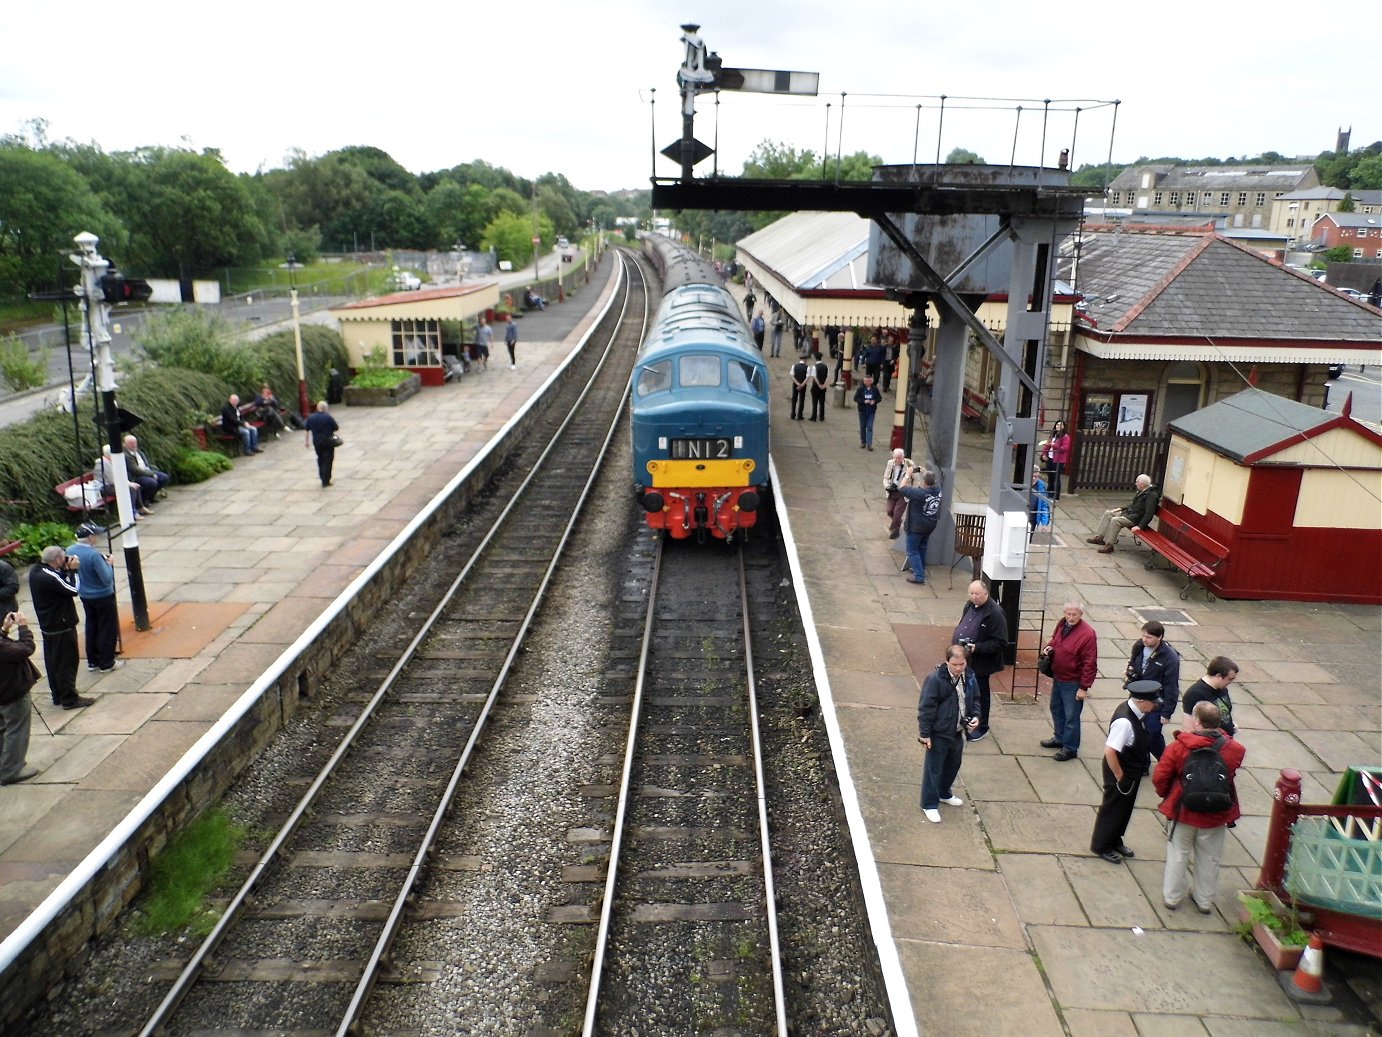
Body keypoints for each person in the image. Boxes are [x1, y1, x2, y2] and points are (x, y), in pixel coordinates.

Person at [1154, 701, 1246, 912]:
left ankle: (1172, 897)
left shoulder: (1178, 747)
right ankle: (1204, 900)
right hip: (1216, 813)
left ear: (1197, 720)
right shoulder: (1235, 749)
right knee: (1210, 857)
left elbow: (1161, 777)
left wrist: (1166, 795)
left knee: (1178, 855)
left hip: (1183, 810)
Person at [1089, 680, 1161, 863]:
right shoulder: (1125, 721)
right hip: (1121, 772)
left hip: (1131, 771)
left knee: (1124, 809)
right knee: (1112, 808)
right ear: (1142, 701)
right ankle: (1101, 845)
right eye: (1153, 702)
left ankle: (1114, 840)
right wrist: (1120, 776)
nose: (1155, 705)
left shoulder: (1135, 712)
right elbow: (1110, 751)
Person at [916, 644, 980, 823]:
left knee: (953, 764)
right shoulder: (935, 680)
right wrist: (925, 734)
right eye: (955, 664)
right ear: (946, 662)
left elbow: (975, 699)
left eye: (962, 664)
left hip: (958, 731)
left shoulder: (970, 676)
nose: (959, 668)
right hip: (939, 732)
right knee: (933, 769)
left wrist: (976, 716)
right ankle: (929, 804)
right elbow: (926, 708)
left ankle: (944, 793)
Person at [28, 545, 93, 710]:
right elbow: (73, 589)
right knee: (67, 663)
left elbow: (59, 582)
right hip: (61, 625)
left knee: (53, 662)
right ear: (57, 560)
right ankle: (70, 698)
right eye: (64, 557)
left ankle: (58, 694)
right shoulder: (49, 577)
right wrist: (74, 571)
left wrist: (64, 570)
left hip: (49, 626)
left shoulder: (36, 572)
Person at [1040, 601, 1098, 760]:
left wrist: (1084, 687)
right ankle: (1059, 738)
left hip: (1073, 681)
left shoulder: (1087, 634)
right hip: (1059, 675)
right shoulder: (1062, 623)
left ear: (1081, 615)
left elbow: (1090, 662)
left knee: (1071, 716)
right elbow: (1055, 640)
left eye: (1074, 614)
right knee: (1056, 708)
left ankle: (1071, 748)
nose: (1070, 617)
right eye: (1068, 614)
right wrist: (1049, 647)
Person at [952, 580, 1008, 741]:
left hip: (982, 664)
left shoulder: (995, 613)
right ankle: (968, 719)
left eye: (977, 594)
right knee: (966, 692)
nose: (974, 597)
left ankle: (982, 726)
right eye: (971, 594)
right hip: (966, 661)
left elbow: (1001, 642)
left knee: (980, 695)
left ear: (986, 593)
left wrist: (977, 647)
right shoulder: (969, 605)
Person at [67, 523, 120, 673]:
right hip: (102, 595)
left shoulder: (70, 550)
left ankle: (93, 661)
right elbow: (107, 578)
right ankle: (107, 662)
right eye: (95, 534)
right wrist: (109, 564)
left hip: (85, 595)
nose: (97, 537)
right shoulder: (93, 555)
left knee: (91, 626)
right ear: (90, 538)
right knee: (107, 628)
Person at [1125, 620, 1181, 758]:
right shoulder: (1139, 645)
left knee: (1152, 734)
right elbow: (1133, 662)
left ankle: (1165, 761)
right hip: (1137, 695)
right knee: (1136, 731)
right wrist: (1130, 671)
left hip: (1156, 702)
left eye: (1149, 637)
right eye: (1143, 635)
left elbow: (1171, 687)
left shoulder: (1170, 658)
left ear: (1159, 637)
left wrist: (1167, 713)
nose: (1144, 639)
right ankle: (1142, 763)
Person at [0, 610, 41, 786]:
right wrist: (23, 627)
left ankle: (5, 763)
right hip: (12, 692)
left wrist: (3, 630)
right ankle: (11, 770)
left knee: (3, 729)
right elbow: (26, 649)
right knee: (16, 730)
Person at [1086, 473, 1157, 553]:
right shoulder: (1142, 491)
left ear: (1142, 484)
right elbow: (1133, 505)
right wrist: (1121, 508)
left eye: (1137, 482)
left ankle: (1109, 545)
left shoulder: (1152, 496)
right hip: (1129, 514)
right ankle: (1100, 537)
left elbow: (1149, 514)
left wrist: (1140, 526)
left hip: (1135, 519)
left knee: (1115, 520)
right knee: (1108, 513)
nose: (1135, 484)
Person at [897, 467, 942, 585]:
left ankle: (919, 576)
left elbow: (902, 488)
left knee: (912, 550)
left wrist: (907, 475)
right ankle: (920, 568)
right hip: (930, 524)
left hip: (917, 526)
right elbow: (931, 480)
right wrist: (925, 472)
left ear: (924, 483)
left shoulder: (920, 493)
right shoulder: (938, 489)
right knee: (922, 547)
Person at [1181, 656, 1238, 736]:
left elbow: (1224, 710)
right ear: (1218, 676)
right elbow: (1189, 729)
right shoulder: (1194, 694)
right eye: (1230, 679)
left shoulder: (1222, 688)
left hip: (1224, 740)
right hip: (1211, 744)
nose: (1231, 682)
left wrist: (1230, 723)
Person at [95, 446, 149, 516]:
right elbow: (112, 480)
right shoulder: (104, 464)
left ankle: (140, 507)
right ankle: (132, 513)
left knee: (136, 486)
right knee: (131, 489)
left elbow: (120, 475)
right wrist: (128, 485)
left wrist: (129, 483)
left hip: (113, 485)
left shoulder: (110, 462)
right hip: (105, 487)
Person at [123, 434, 170, 503]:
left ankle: (150, 497)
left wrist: (151, 471)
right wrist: (151, 474)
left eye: (135, 443)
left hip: (146, 470)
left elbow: (145, 463)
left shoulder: (138, 451)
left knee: (164, 477)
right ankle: (143, 501)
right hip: (136, 475)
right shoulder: (126, 455)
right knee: (152, 483)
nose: (134, 445)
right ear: (125, 444)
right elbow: (135, 470)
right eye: (131, 443)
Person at [304, 400, 340, 488]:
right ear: (325, 408)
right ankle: (326, 479)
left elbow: (306, 429)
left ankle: (322, 476)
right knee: (328, 460)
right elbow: (336, 427)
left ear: (317, 407)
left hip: (316, 441)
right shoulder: (328, 417)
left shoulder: (311, 417)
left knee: (320, 458)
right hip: (327, 441)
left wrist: (306, 441)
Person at [882, 448, 910, 539]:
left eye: (899, 458)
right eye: (896, 458)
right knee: (890, 511)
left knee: (897, 513)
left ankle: (895, 529)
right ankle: (897, 522)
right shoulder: (890, 463)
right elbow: (886, 477)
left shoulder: (909, 464)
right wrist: (887, 486)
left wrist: (912, 491)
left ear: (903, 457)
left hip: (903, 492)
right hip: (892, 491)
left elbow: (916, 479)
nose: (897, 460)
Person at [1043, 421, 1072, 501]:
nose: (1059, 426)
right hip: (1050, 458)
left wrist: (1054, 445)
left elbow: (1064, 449)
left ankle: (1056, 497)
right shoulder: (1053, 435)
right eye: (1057, 424)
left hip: (1058, 460)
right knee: (1050, 477)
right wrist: (1044, 454)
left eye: (1061, 424)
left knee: (1056, 478)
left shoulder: (1065, 437)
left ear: (1064, 427)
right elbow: (1047, 445)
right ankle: (1049, 494)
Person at [853, 374, 883, 451]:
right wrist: (863, 401)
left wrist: (874, 401)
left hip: (871, 411)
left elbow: (879, 398)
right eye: (866, 381)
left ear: (872, 381)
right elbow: (856, 398)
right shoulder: (860, 389)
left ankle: (869, 444)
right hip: (862, 411)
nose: (867, 382)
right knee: (863, 427)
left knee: (869, 427)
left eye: (869, 381)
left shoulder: (875, 389)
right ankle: (863, 442)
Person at [1028, 467, 1050, 540]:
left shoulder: (1041, 486)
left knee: (1028, 539)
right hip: (1021, 515)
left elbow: (1044, 505)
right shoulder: (1022, 483)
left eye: (1036, 476)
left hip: (1032, 518)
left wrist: (1044, 523)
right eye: (1032, 476)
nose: (1034, 478)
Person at [808, 350, 829, 422]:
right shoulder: (825, 366)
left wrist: (819, 384)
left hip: (816, 387)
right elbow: (827, 376)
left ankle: (814, 416)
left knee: (815, 402)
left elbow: (814, 377)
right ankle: (821, 416)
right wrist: (824, 384)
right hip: (823, 386)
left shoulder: (814, 367)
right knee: (822, 402)